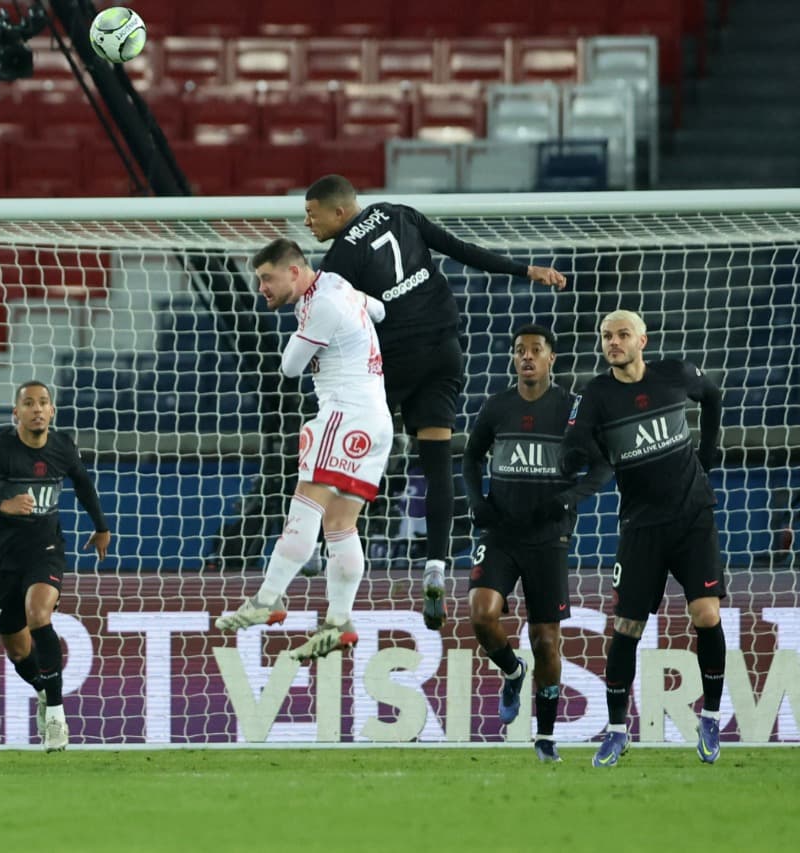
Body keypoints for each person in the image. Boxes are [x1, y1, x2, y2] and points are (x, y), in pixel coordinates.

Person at [303, 174, 568, 631]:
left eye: (312, 214)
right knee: (437, 461)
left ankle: (314, 543)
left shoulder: (340, 258)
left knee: (341, 440)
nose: (307, 222)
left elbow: (332, 319)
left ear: (340, 212)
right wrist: (526, 271)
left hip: (391, 362)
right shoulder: (400, 214)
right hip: (443, 353)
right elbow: (461, 249)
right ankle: (436, 568)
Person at [216, 238, 394, 661]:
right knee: (340, 523)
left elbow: (289, 367)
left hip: (343, 413)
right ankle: (338, 622)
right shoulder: (337, 285)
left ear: (293, 271)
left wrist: (313, 326)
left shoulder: (323, 305)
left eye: (266, 278)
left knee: (305, 508)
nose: (261, 287)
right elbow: (381, 310)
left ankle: (269, 598)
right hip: (375, 421)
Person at [561, 310, 725, 767]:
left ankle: (710, 717)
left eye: (622, 335)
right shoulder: (595, 395)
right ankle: (616, 731)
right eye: (606, 336)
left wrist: (707, 458)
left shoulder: (675, 374)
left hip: (693, 517)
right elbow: (576, 443)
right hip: (640, 526)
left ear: (642, 340)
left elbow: (712, 396)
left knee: (706, 614)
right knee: (627, 629)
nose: (613, 342)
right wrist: (578, 459)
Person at [462, 324, 612, 762]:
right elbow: (471, 456)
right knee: (481, 613)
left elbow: (603, 468)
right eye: (519, 351)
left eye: (535, 350)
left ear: (551, 359)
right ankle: (512, 671)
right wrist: (478, 501)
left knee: (546, 641)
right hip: (501, 532)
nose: (526, 357)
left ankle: (545, 737)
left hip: (548, 538)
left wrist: (569, 499)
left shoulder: (573, 410)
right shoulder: (497, 407)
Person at [0, 380, 111, 752]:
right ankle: (43, 689)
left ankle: (55, 716)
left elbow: (83, 484)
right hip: (4, 557)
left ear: (52, 411)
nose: (37, 409)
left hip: (46, 548)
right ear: (16, 413)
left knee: (39, 615)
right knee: (18, 649)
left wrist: (101, 527)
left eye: (44, 403)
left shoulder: (62, 447)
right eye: (29, 403)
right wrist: (0, 506)